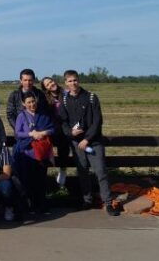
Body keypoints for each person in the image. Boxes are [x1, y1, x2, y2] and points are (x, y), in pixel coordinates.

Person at [58, 70, 119, 216]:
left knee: (101, 172)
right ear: (65, 83)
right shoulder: (64, 100)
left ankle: (108, 203)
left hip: (93, 142)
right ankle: (87, 200)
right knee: (82, 172)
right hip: (76, 143)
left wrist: (87, 139)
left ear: (79, 80)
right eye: (70, 81)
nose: (73, 83)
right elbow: (62, 121)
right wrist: (70, 133)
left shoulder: (91, 97)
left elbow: (98, 121)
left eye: (75, 80)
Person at [41, 76, 69, 187]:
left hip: (67, 126)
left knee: (64, 146)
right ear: (46, 88)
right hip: (53, 128)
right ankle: (44, 177)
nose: (51, 84)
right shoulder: (45, 99)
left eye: (51, 81)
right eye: (47, 84)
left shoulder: (66, 93)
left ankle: (63, 170)